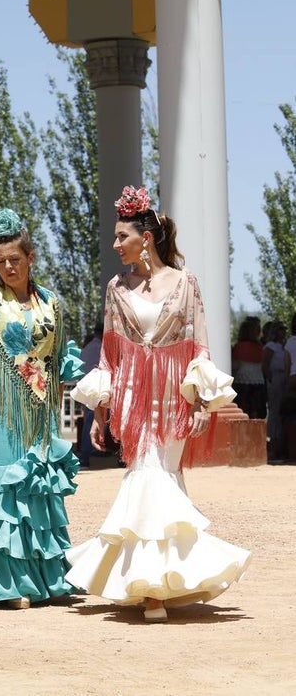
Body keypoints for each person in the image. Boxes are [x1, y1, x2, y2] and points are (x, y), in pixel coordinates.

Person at [68, 185, 250, 623]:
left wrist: (205, 402)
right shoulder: (116, 287)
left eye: (121, 236)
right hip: (132, 396)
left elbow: (199, 347)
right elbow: (110, 355)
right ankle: (153, 589)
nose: (115, 245)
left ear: (144, 237)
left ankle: (157, 584)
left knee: (163, 475)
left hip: (172, 397)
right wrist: (100, 410)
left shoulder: (185, 283)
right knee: (144, 473)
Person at [0, 207, 83, 609]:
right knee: (6, 489)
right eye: (0, 261)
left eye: (15, 259)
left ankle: (49, 578)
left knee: (39, 485)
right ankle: (11, 585)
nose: (8, 267)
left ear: (30, 258)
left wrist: (61, 406)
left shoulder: (51, 304)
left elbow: (62, 356)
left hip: (41, 407)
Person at [77, 324, 105, 467]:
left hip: (85, 387)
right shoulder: (101, 347)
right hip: (97, 387)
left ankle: (85, 456)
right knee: (95, 421)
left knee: (89, 421)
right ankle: (92, 453)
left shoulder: (86, 349)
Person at [262, 320, 290, 456]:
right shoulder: (270, 346)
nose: (283, 332)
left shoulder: (283, 346)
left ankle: (281, 443)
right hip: (275, 379)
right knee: (274, 411)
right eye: (280, 329)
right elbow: (265, 365)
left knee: (282, 411)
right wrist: (271, 380)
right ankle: (273, 442)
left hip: (284, 379)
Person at [231, 316, 266, 419]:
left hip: (242, 383)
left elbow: (235, 365)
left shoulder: (239, 346)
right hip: (258, 382)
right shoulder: (259, 347)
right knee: (257, 413)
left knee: (243, 412)